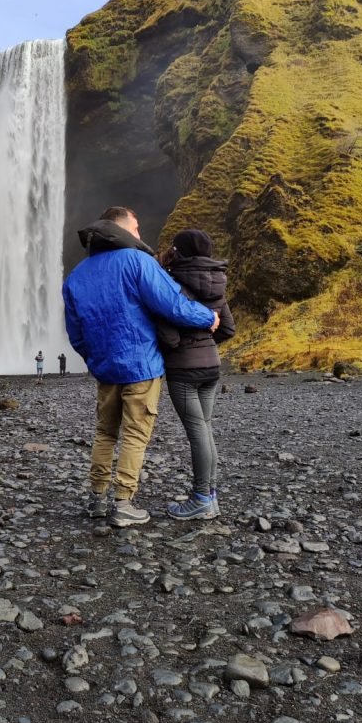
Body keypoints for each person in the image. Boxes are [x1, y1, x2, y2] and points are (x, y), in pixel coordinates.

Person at [63, 206, 219, 528]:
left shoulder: (76, 275)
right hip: (141, 366)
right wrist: (209, 318)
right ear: (120, 229)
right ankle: (123, 503)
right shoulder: (138, 261)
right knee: (135, 435)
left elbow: (75, 332)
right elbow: (173, 305)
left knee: (105, 432)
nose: (139, 235)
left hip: (105, 369)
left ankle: (97, 499)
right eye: (135, 228)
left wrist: (92, 359)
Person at [158, 229, 235, 520]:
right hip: (212, 368)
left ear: (179, 252)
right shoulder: (217, 284)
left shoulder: (174, 282)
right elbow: (227, 328)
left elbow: (169, 332)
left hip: (184, 371)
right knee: (205, 429)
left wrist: (183, 345)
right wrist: (204, 344)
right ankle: (211, 497)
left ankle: (201, 497)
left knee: (197, 433)